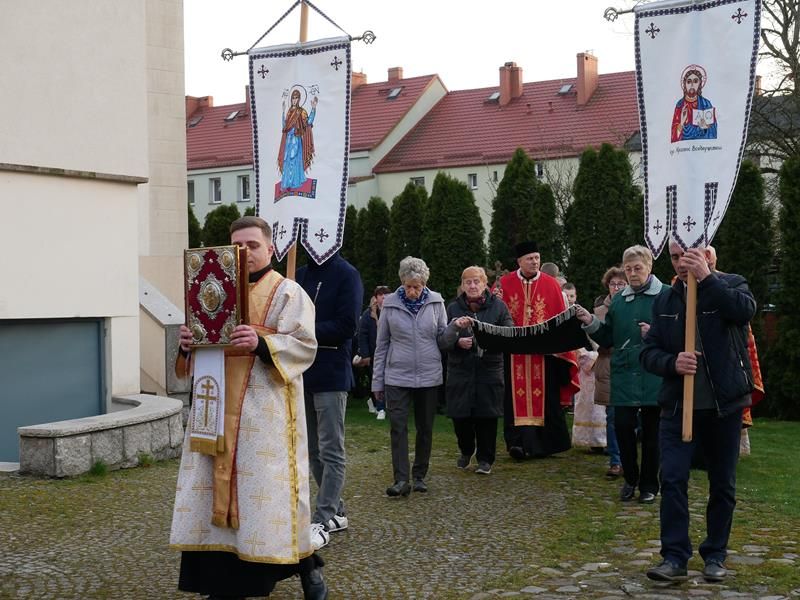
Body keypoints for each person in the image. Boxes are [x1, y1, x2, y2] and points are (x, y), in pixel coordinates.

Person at [171, 216, 327, 599]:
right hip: (214, 413)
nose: (245, 252)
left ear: (270, 248)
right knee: (211, 495)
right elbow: (189, 364)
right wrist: (188, 345)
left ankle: (308, 569)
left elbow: (305, 345)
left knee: (270, 502)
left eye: (253, 245)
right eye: (237, 246)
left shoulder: (288, 293)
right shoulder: (211, 291)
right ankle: (220, 584)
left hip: (264, 414)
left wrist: (261, 344)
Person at [641, 240, 756, 583]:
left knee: (722, 484)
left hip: (723, 406)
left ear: (705, 255)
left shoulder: (731, 284)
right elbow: (649, 352)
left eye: (687, 255)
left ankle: (715, 554)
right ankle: (674, 557)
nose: (680, 263)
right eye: (675, 257)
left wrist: (707, 279)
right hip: (678, 405)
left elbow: (744, 311)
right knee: (672, 479)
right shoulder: (666, 299)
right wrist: (672, 362)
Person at [576, 245, 664, 504]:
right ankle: (630, 479)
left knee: (652, 433)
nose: (633, 273)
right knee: (623, 428)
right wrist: (590, 322)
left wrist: (655, 334)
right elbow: (608, 338)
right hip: (624, 373)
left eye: (637, 268)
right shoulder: (618, 301)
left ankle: (649, 484)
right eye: (628, 269)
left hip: (653, 373)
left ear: (649, 267)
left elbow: (679, 333)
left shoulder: (667, 295)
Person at [296, 252, 364, 548]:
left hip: (331, 373)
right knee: (312, 449)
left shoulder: (347, 274)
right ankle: (336, 509)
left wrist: (304, 331)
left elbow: (347, 325)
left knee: (331, 448)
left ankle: (323, 517)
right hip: (302, 372)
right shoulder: (300, 274)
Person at [494, 241, 579, 459]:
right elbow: (494, 314)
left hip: (544, 355)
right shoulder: (504, 283)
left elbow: (561, 319)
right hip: (513, 355)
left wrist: (559, 347)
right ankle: (518, 444)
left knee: (546, 398)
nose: (534, 262)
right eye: (530, 258)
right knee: (514, 399)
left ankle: (545, 445)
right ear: (519, 261)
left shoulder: (552, 285)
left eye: (537, 258)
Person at [372, 256, 447, 497]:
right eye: (408, 286)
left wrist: (456, 331)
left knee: (425, 428)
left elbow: (442, 336)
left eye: (417, 286)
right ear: (402, 282)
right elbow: (382, 345)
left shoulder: (436, 302)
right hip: (397, 375)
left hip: (429, 375)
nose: (412, 291)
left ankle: (420, 475)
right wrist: (377, 381)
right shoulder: (390, 305)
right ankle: (401, 479)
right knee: (398, 427)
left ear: (425, 284)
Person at [441, 266, 514, 475]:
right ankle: (466, 449)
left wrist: (483, 338)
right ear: (462, 285)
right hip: (460, 371)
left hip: (488, 370)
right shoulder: (453, 308)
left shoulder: (498, 306)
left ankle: (485, 459)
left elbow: (508, 332)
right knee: (460, 418)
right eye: (468, 282)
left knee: (487, 417)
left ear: (484, 284)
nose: (472, 286)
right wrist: (457, 342)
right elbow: (443, 339)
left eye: (476, 282)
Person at [593, 267, 627, 479]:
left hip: (632, 366)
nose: (616, 288)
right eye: (613, 284)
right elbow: (596, 340)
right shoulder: (599, 311)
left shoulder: (635, 305)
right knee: (613, 416)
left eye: (621, 284)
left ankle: (630, 458)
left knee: (633, 418)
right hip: (609, 366)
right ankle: (616, 460)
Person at [569, 283, 606, 452]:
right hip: (587, 371)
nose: (570, 299)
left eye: (572, 296)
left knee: (601, 408)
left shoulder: (587, 319)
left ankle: (603, 440)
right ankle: (590, 440)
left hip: (601, 368)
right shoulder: (571, 321)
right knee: (587, 406)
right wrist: (593, 358)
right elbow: (575, 348)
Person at [356, 285, 392, 420]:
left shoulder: (393, 311)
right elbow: (362, 335)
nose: (384, 297)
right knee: (376, 380)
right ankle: (380, 407)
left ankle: (383, 405)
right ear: (376, 298)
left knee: (389, 381)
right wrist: (365, 355)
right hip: (374, 354)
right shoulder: (368, 314)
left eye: (386, 295)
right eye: (381, 295)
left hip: (391, 353)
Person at [279, 88, 318, 190]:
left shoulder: (301, 111)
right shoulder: (289, 112)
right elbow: (284, 126)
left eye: (296, 98)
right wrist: (283, 112)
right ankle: (287, 183)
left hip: (296, 139)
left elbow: (308, 122)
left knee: (295, 159)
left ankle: (295, 182)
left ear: (299, 99)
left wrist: (313, 109)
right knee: (287, 160)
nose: (294, 100)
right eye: (293, 98)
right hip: (288, 140)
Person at [671, 64, 717, 143]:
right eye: (689, 82)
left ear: (699, 84)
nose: (692, 85)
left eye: (695, 81)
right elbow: (673, 136)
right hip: (683, 148)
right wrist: (681, 123)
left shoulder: (706, 104)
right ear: (685, 84)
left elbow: (714, 131)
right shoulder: (680, 105)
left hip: (703, 147)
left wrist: (706, 128)